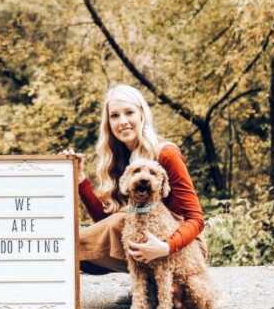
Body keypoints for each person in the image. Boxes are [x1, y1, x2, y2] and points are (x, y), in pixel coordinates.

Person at [64, 84, 205, 274]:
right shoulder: (117, 159)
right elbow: (105, 221)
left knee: (123, 221)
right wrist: (80, 180)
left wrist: (165, 247)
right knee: (121, 222)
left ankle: (62, 247)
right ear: (108, 124)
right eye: (115, 116)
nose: (122, 121)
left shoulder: (166, 154)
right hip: (145, 242)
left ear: (142, 115)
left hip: (184, 249)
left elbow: (196, 219)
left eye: (129, 112)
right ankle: (148, 288)